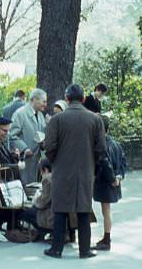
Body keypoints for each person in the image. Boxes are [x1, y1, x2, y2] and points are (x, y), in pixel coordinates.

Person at [42, 83, 106, 259]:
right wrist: (92, 163)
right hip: (86, 169)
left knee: (60, 209)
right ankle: (84, 250)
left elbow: (49, 146)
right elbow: (100, 147)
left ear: (67, 99)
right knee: (84, 209)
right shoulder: (95, 119)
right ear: (84, 99)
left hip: (62, 169)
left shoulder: (57, 120)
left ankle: (56, 249)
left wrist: (56, 162)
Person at [93, 115, 126, 251]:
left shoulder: (102, 145)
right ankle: (106, 237)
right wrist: (119, 177)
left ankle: (107, 239)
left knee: (106, 211)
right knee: (106, 210)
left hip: (105, 182)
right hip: (113, 181)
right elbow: (124, 162)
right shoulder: (116, 144)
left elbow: (105, 163)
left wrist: (112, 178)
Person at [9, 88, 47, 184]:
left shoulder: (41, 115)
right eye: (44, 101)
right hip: (25, 160)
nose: (45, 104)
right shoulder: (20, 114)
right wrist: (24, 148)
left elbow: (41, 133)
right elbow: (11, 135)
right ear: (34, 99)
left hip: (36, 160)